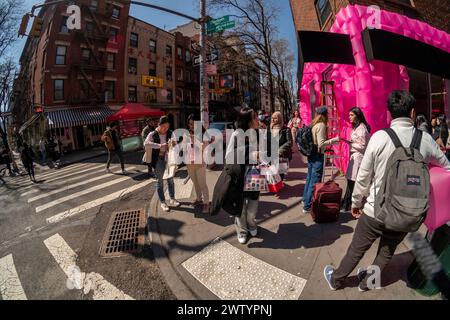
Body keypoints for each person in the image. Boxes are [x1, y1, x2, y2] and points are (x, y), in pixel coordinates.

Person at [324, 90, 450, 292]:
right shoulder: (425, 139)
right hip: (406, 213)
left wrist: (356, 203)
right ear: (412, 113)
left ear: (390, 113)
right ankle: (366, 283)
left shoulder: (379, 137)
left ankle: (337, 279)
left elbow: (363, 176)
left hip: (375, 210)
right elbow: (447, 167)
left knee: (357, 249)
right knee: (386, 252)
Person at [223, 107, 261, 244]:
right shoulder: (236, 135)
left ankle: (251, 223)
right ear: (248, 121)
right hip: (239, 176)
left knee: (252, 206)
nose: (258, 120)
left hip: (254, 175)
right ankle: (242, 229)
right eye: (255, 117)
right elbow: (228, 156)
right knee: (240, 206)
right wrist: (248, 154)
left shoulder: (257, 133)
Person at [302, 106, 340, 214]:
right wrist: (334, 140)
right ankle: (308, 205)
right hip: (318, 155)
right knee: (314, 181)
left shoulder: (313, 124)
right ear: (325, 115)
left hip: (311, 155)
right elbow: (321, 143)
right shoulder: (321, 125)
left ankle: (305, 200)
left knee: (309, 179)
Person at [144, 116, 180, 212]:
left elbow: (175, 144)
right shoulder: (153, 134)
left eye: (167, 127)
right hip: (158, 160)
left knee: (170, 180)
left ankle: (172, 199)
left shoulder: (170, 133)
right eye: (164, 126)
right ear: (159, 125)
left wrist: (174, 144)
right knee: (159, 181)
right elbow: (146, 144)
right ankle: (163, 202)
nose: (165, 129)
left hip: (168, 159)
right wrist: (160, 146)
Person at [341, 107, 371, 212]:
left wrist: (351, 143)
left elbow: (363, 146)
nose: (349, 117)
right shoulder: (357, 127)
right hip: (354, 157)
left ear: (358, 116)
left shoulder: (362, 128)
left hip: (358, 157)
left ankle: (348, 204)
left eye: (351, 115)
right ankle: (346, 202)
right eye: (349, 115)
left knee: (352, 182)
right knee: (351, 181)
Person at [185, 114, 210, 214]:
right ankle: (199, 199)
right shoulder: (187, 133)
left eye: (193, 124)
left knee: (202, 184)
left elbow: (204, 147)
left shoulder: (204, 134)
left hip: (200, 163)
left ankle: (206, 203)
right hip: (189, 163)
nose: (192, 126)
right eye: (190, 124)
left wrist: (194, 140)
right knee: (195, 183)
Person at [270, 111, 292, 180]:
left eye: (275, 118)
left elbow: (289, 142)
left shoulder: (286, 129)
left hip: (282, 154)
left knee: (280, 174)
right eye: (272, 118)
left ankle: (279, 186)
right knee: (272, 172)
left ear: (279, 119)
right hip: (272, 154)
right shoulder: (269, 128)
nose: (273, 120)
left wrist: (280, 150)